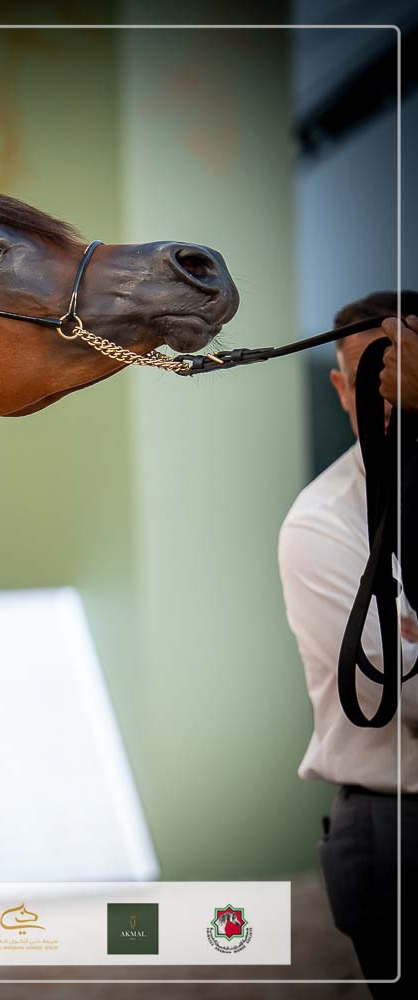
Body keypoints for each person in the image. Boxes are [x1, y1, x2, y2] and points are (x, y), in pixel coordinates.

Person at [277, 292, 417, 995]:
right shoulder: (323, 523)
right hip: (399, 824)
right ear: (340, 388)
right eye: (373, 375)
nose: (390, 397)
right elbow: (401, 694)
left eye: (406, 373)